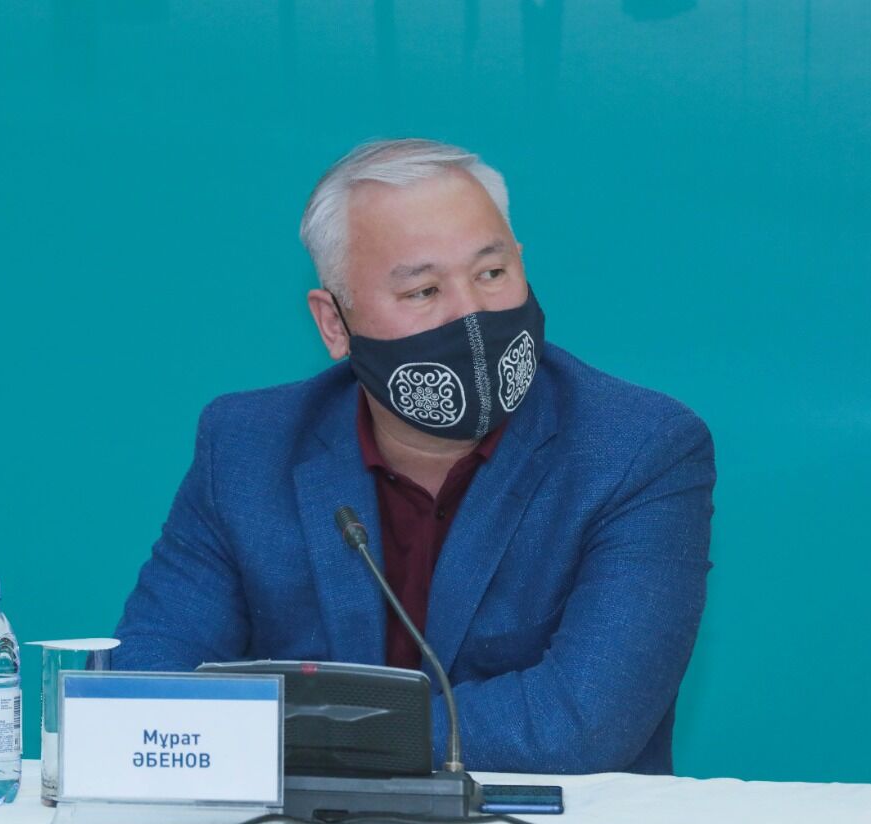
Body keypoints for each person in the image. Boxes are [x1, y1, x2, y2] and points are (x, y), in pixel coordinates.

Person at [113, 138, 715, 774]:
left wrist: (302, 733)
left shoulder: (637, 450)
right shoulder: (246, 447)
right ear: (334, 324)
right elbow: (150, 682)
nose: (470, 313)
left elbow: (581, 724)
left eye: (491, 273)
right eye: (424, 291)